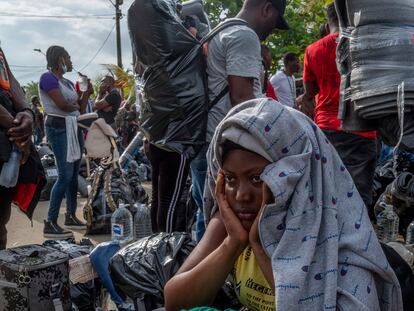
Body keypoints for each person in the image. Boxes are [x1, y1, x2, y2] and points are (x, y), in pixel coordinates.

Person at [164, 99, 402, 311]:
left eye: (257, 178)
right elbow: (174, 300)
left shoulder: (333, 236)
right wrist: (233, 243)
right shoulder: (233, 221)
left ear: (295, 175)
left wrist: (258, 245)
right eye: (231, 179)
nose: (241, 196)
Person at [190, 0, 289, 242]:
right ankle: (210, 276)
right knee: (219, 221)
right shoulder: (244, 36)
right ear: (267, 8)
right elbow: (242, 100)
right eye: (274, 22)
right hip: (225, 147)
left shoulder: (219, 32)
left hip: (205, 139)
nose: (271, 30)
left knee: (206, 212)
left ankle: (201, 271)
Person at [298, 3, 377, 209]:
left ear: (326, 24)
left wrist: (303, 99)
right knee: (358, 198)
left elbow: (310, 92)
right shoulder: (364, 44)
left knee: (325, 192)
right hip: (362, 129)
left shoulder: (312, 50)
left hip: (326, 130)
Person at [39, 45, 93, 238]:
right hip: (58, 128)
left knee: (73, 172)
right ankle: (50, 221)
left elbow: (80, 108)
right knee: (64, 174)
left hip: (73, 127)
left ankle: (70, 215)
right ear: (60, 59)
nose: (71, 62)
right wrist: (74, 105)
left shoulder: (68, 83)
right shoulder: (47, 78)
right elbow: (63, 105)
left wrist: (86, 94)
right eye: (68, 58)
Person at [0, 47, 41, 250]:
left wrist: (25, 111)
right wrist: (14, 125)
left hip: (6, 139)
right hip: (7, 128)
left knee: (0, 219)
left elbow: (7, 77)